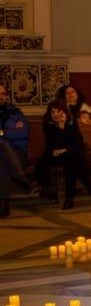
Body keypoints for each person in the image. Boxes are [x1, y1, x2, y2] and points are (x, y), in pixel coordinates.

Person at [37, 99, 91, 209]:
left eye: (58, 112)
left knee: (71, 161)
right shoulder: (47, 125)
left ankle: (69, 199)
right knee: (74, 158)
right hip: (53, 155)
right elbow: (54, 144)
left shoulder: (72, 123)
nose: (55, 115)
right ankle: (86, 181)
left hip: (69, 154)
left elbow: (79, 141)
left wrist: (65, 149)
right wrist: (60, 127)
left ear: (64, 112)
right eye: (53, 112)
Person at [0, 84, 30, 218]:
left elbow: (23, 132)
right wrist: (11, 132)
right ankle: (21, 177)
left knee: (2, 159)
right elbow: (16, 132)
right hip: (7, 158)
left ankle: (4, 204)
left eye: (2, 93)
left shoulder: (16, 112)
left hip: (18, 153)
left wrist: (3, 132)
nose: (1, 96)